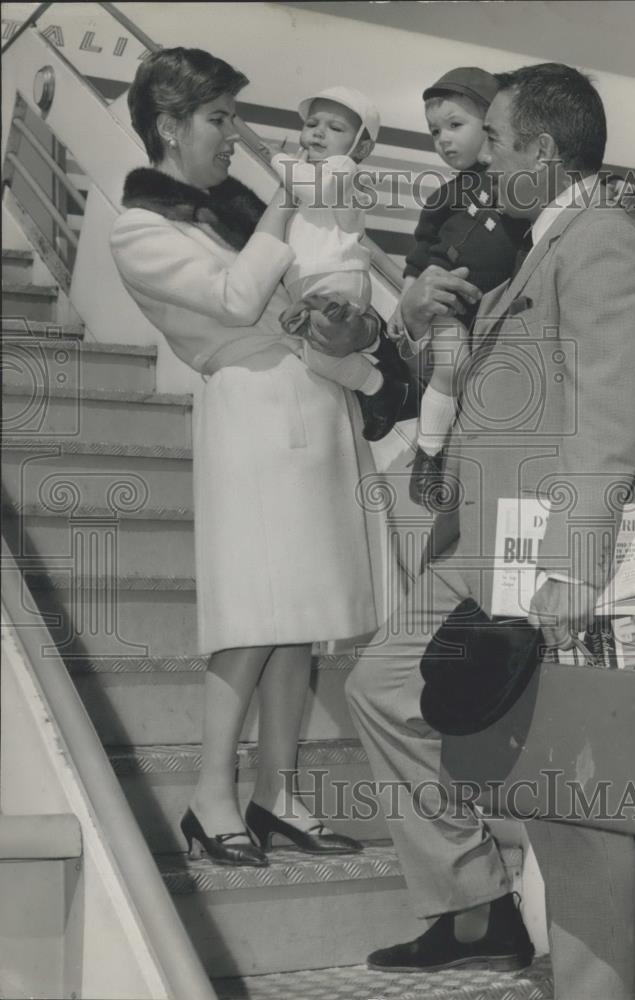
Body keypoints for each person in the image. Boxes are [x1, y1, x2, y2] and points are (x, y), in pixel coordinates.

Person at [346, 63, 635, 1000]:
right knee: (378, 688)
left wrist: (576, 561)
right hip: (480, 545)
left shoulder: (601, 239)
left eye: (497, 142)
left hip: (544, 548)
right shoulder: (541, 241)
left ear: (542, 150)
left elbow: (607, 410)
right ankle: (474, 900)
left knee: (576, 799)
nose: (482, 160)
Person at [110, 47, 389, 864]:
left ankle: (278, 795)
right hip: (252, 416)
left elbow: (310, 293)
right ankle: (209, 796)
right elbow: (237, 298)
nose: (236, 135)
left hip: (311, 405)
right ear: (169, 126)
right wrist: (279, 207)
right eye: (219, 118)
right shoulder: (140, 228)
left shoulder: (230, 213)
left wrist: (346, 318)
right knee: (252, 615)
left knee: (298, 621)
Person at [388, 67, 525, 506]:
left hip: (492, 307)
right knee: (452, 367)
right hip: (450, 306)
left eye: (455, 126)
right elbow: (420, 251)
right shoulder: (443, 195)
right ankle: (429, 455)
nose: (443, 139)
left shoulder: (516, 186)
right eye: (435, 132)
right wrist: (407, 297)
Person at [248, 86, 408, 442]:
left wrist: (279, 159)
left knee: (323, 346)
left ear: (361, 148)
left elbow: (314, 190)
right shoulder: (311, 174)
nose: (318, 132)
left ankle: (380, 381)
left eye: (335, 128)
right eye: (312, 123)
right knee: (316, 355)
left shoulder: (341, 168)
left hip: (336, 273)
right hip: (312, 281)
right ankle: (378, 383)